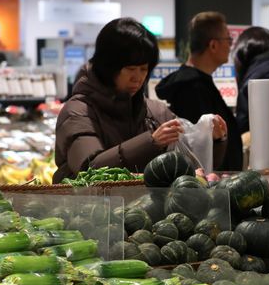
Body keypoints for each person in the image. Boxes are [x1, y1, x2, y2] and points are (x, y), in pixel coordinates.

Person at [53, 18, 228, 183]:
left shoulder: (156, 112)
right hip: (86, 212)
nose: (138, 78)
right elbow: (89, 172)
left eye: (144, 69)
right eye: (130, 69)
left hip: (141, 212)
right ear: (108, 67)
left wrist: (210, 140)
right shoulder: (77, 112)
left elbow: (193, 167)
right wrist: (150, 143)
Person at [155, 12, 243, 171]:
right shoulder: (191, 89)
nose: (230, 46)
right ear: (213, 45)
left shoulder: (198, 84)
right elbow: (196, 150)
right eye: (228, 40)